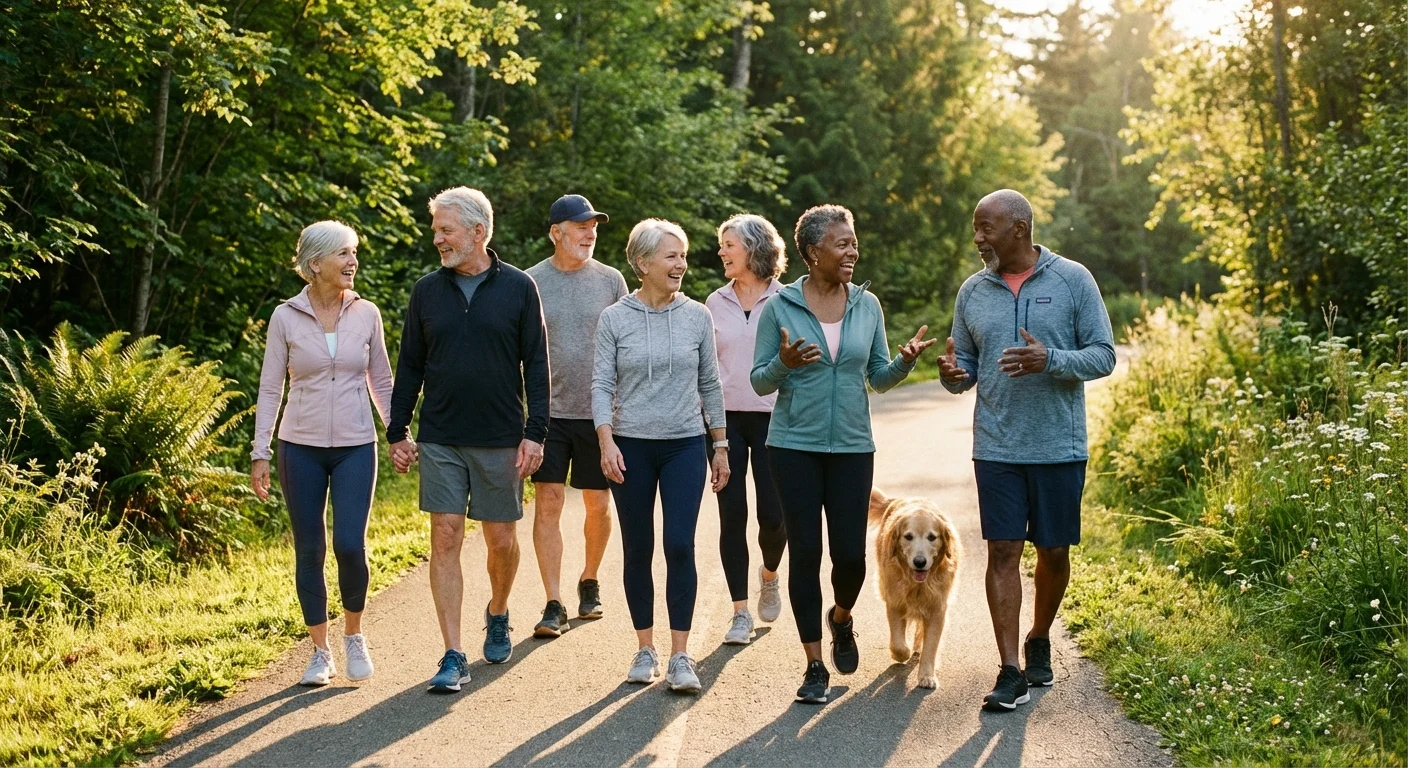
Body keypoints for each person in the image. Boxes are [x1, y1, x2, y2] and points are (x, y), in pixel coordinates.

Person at [938, 189, 1115, 712]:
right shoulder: (973, 291)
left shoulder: (1073, 279)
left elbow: (1103, 355)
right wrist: (953, 376)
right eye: (976, 226)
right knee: (1003, 551)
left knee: (1053, 553)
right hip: (996, 446)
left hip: (1059, 444)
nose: (978, 237)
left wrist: (1050, 360)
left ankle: (1040, 636)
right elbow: (964, 367)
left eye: (986, 227)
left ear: (1019, 228)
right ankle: (1010, 668)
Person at [751, 204, 934, 704]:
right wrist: (784, 363)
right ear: (813, 252)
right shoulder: (780, 307)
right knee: (805, 553)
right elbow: (759, 381)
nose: (852, 250)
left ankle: (842, 617)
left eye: (853, 242)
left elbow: (876, 377)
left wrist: (903, 362)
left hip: (853, 446)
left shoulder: (866, 306)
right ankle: (813, 665)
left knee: (850, 555)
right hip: (793, 447)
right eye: (842, 243)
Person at [387, 187, 550, 694]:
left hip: (501, 436)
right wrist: (397, 430)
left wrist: (535, 433)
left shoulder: (520, 288)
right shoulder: (426, 291)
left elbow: (538, 364)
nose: (437, 239)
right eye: (436, 230)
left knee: (501, 539)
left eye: (445, 229)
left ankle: (498, 610)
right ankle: (453, 653)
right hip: (441, 436)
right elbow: (410, 364)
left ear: (478, 232)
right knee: (445, 534)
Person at [251, 220, 393, 686]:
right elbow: (271, 387)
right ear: (315, 264)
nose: (353, 262)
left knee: (350, 545)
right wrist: (261, 451)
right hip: (300, 447)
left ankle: (354, 635)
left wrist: (399, 433)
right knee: (310, 549)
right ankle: (319, 651)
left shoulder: (367, 313)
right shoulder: (285, 317)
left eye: (354, 253)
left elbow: (382, 381)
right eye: (343, 254)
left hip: (356, 444)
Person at [592, 218, 730, 694]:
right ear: (643, 262)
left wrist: (721, 444)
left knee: (678, 544)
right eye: (671, 256)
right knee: (638, 548)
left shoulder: (697, 316)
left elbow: (710, 383)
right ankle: (645, 649)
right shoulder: (614, 318)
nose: (681, 264)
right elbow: (601, 384)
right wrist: (605, 440)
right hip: (629, 446)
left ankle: (680, 655)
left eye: (683, 256)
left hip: (684, 445)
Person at [525, 195, 628, 637]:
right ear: (556, 233)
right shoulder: (528, 282)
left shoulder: (611, 280)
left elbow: (628, 341)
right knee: (547, 502)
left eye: (594, 227)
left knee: (597, 502)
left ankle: (589, 579)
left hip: (599, 414)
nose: (590, 234)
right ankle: (553, 601)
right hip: (547, 413)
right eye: (581, 226)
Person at [705, 214, 788, 646]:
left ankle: (769, 574)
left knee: (774, 518)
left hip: (777, 418)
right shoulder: (713, 302)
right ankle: (739, 612)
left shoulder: (789, 300)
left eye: (729, 245)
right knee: (731, 515)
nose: (722, 252)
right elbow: (705, 368)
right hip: (725, 422)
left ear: (754, 248)